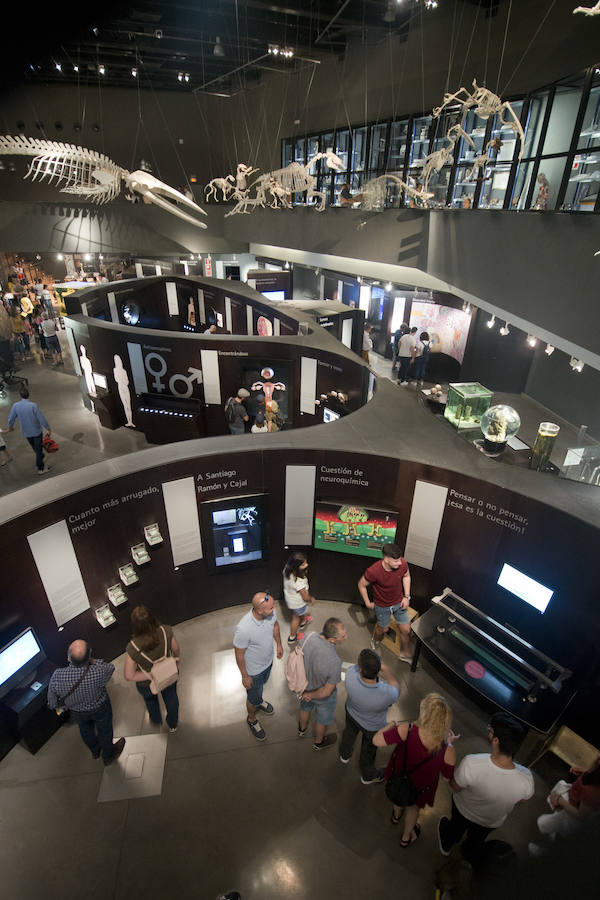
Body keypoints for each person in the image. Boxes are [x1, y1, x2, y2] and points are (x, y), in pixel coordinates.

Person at [438, 712, 534, 861]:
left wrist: (447, 775)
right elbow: (522, 800)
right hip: (490, 821)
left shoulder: (472, 763)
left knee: (454, 829)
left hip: (463, 810)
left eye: (490, 729)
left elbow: (455, 787)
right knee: (476, 840)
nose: (488, 731)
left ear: (495, 740)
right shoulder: (527, 777)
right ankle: (467, 854)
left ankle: (447, 845)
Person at [374, 693, 457, 847]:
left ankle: (396, 816)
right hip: (421, 787)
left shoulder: (408, 729)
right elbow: (447, 778)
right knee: (413, 808)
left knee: (399, 794)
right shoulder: (447, 751)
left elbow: (376, 740)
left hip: (398, 776)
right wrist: (450, 743)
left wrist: (390, 725)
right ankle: (406, 837)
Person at [47, 640, 126, 765]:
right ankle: (108, 755)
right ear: (89, 656)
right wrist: (93, 661)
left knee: (85, 730)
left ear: (68, 658)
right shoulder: (98, 672)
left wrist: (61, 708)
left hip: (77, 711)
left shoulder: (57, 676)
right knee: (104, 730)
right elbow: (111, 668)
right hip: (100, 707)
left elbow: (52, 703)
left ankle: (95, 751)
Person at [340, 649, 400, 784]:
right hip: (372, 726)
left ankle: (344, 755)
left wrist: (369, 663)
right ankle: (367, 776)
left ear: (360, 669)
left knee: (348, 734)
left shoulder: (350, 674)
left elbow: (356, 667)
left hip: (351, 713)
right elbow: (396, 687)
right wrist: (387, 670)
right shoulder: (387, 693)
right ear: (378, 670)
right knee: (368, 752)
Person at [233, 591, 283, 741]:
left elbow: (275, 626)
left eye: (273, 606)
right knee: (252, 698)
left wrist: (279, 644)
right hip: (254, 672)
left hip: (268, 663)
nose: (274, 610)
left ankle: (259, 701)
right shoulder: (244, 628)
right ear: (259, 611)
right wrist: (245, 676)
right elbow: (239, 654)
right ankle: (251, 719)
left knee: (259, 690)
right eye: (270, 608)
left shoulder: (269, 614)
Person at [124, 605, 181, 732]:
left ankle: (156, 720)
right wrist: (175, 661)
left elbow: (129, 675)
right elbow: (176, 649)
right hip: (168, 674)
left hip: (147, 683)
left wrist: (150, 675)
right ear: (152, 618)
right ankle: (173, 724)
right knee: (171, 698)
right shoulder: (166, 630)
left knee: (150, 700)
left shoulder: (132, 647)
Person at [298, 617, 347, 751]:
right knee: (321, 721)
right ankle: (319, 742)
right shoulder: (334, 662)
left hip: (303, 686)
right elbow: (326, 691)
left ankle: (301, 729)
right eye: (343, 636)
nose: (346, 636)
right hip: (321, 696)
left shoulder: (309, 635)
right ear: (332, 640)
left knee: (304, 708)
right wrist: (311, 695)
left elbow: (299, 654)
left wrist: (306, 694)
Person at [530, 755, 600, 849]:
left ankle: (544, 853)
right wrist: (585, 772)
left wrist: (559, 800)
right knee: (549, 826)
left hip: (573, 817)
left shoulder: (592, 791)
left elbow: (581, 815)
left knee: (545, 825)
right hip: (574, 802)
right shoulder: (594, 777)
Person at [358, 543, 412, 660]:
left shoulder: (402, 563)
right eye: (396, 561)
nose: (400, 563)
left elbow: (406, 576)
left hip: (399, 603)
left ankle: (405, 653)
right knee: (383, 629)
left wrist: (406, 597)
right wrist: (367, 603)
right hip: (382, 606)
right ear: (386, 559)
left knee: (406, 630)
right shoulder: (373, 571)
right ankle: (375, 643)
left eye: (399, 560)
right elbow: (361, 585)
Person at [8, 386, 52, 474]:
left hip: (26, 432)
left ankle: (42, 457)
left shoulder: (16, 406)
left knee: (35, 448)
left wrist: (10, 427)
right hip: (36, 431)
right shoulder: (33, 405)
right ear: (28, 395)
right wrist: (48, 428)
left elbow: (11, 418)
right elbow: (41, 418)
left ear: (20, 396)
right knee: (38, 449)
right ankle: (41, 468)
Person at [283, 551, 315, 645]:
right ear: (296, 566)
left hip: (290, 599)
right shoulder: (299, 581)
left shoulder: (287, 569)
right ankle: (292, 637)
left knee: (299, 613)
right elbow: (305, 597)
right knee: (296, 617)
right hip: (298, 603)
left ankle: (303, 621)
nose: (307, 564)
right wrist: (311, 599)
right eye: (303, 564)